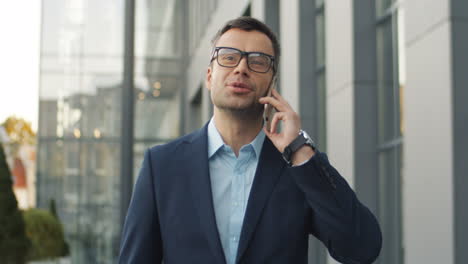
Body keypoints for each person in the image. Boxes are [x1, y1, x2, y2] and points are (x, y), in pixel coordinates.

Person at [119, 17, 382, 264]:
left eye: (257, 61)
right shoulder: (162, 165)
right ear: (209, 77)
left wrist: (301, 152)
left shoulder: (297, 167)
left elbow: (361, 249)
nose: (241, 68)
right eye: (229, 58)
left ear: (272, 83)